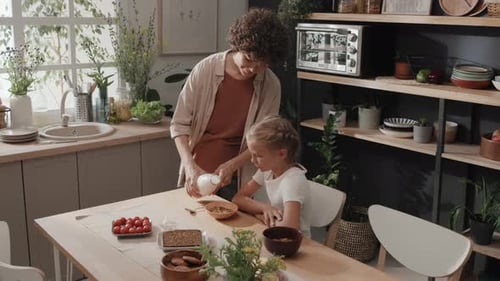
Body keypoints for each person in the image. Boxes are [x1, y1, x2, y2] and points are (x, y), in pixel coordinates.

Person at [170, 8, 288, 201]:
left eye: (261, 65)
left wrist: (232, 165)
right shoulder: (206, 70)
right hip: (198, 174)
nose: (252, 69)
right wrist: (190, 166)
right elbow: (179, 125)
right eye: (248, 59)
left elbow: (265, 138)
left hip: (242, 180)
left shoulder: (271, 85)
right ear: (237, 45)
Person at [232, 116, 311, 237]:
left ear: (282, 153)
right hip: (274, 235)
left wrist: (259, 216)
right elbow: (238, 199)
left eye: (258, 155)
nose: (252, 160)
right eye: (251, 154)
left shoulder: (292, 180)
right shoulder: (267, 170)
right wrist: (264, 208)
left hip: (298, 245)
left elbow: (289, 230)